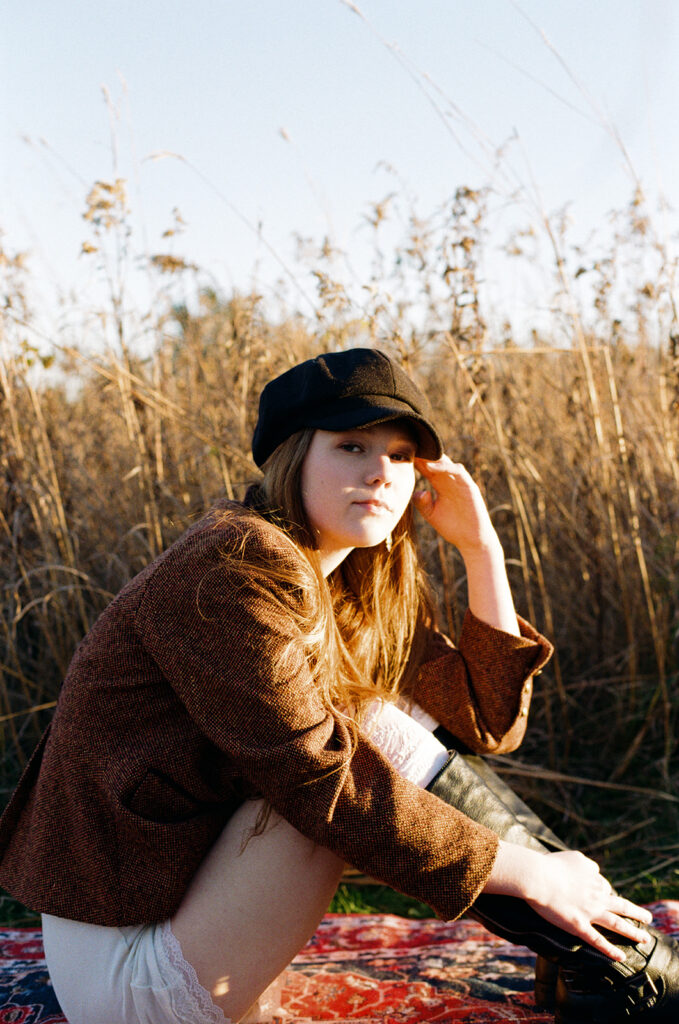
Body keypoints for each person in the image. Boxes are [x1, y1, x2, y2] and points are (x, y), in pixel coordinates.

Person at [0, 347, 676, 1024]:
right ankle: (625, 963)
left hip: (196, 913)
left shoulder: (350, 580)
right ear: (293, 456)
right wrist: (532, 874)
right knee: (357, 750)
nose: (380, 472)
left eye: (402, 455)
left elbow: (485, 720)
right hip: (130, 977)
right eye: (351, 446)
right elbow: (323, 784)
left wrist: (480, 549)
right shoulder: (231, 568)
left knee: (375, 721)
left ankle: (607, 953)